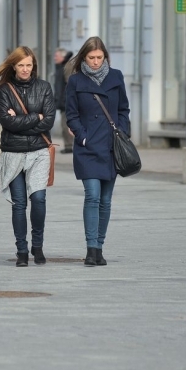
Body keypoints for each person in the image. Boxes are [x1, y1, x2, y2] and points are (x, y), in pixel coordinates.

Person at [0, 46, 56, 267]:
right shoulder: (5, 90)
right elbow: (7, 122)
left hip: (39, 152)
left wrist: (20, 119)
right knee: (19, 203)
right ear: (13, 66)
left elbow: (48, 121)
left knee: (38, 199)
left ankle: (37, 246)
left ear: (34, 66)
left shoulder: (44, 87)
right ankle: (22, 251)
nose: (25, 69)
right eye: (21, 65)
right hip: (13, 153)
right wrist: (35, 116)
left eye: (28, 65)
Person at [65, 37, 130, 267]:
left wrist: (122, 133)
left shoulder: (116, 77)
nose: (95, 62)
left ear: (105, 57)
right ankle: (91, 248)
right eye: (91, 57)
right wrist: (82, 136)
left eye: (99, 57)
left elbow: (123, 109)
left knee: (105, 200)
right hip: (88, 148)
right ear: (84, 57)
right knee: (92, 195)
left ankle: (99, 248)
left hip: (110, 147)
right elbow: (71, 114)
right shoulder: (75, 81)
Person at [53, 48, 74, 154]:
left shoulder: (67, 66)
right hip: (63, 101)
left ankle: (69, 146)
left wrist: (66, 99)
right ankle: (68, 145)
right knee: (64, 125)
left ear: (62, 57)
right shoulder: (60, 67)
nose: (54, 58)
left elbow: (70, 84)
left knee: (66, 125)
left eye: (56, 56)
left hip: (67, 102)